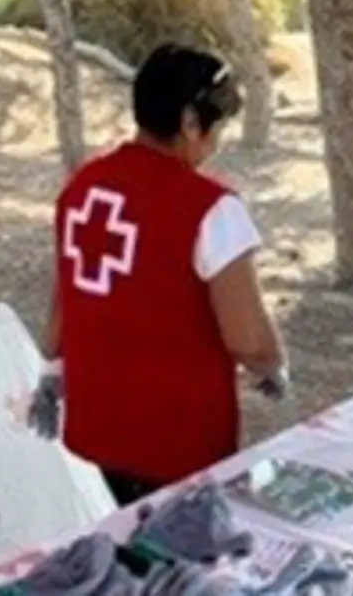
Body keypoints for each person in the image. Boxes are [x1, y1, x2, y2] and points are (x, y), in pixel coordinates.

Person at [34, 44, 288, 507]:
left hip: (95, 424)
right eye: (218, 126)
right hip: (176, 439)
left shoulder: (81, 186)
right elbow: (248, 339)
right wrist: (272, 364)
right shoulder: (211, 209)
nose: (217, 142)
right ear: (191, 122)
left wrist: (51, 368)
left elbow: (63, 299)